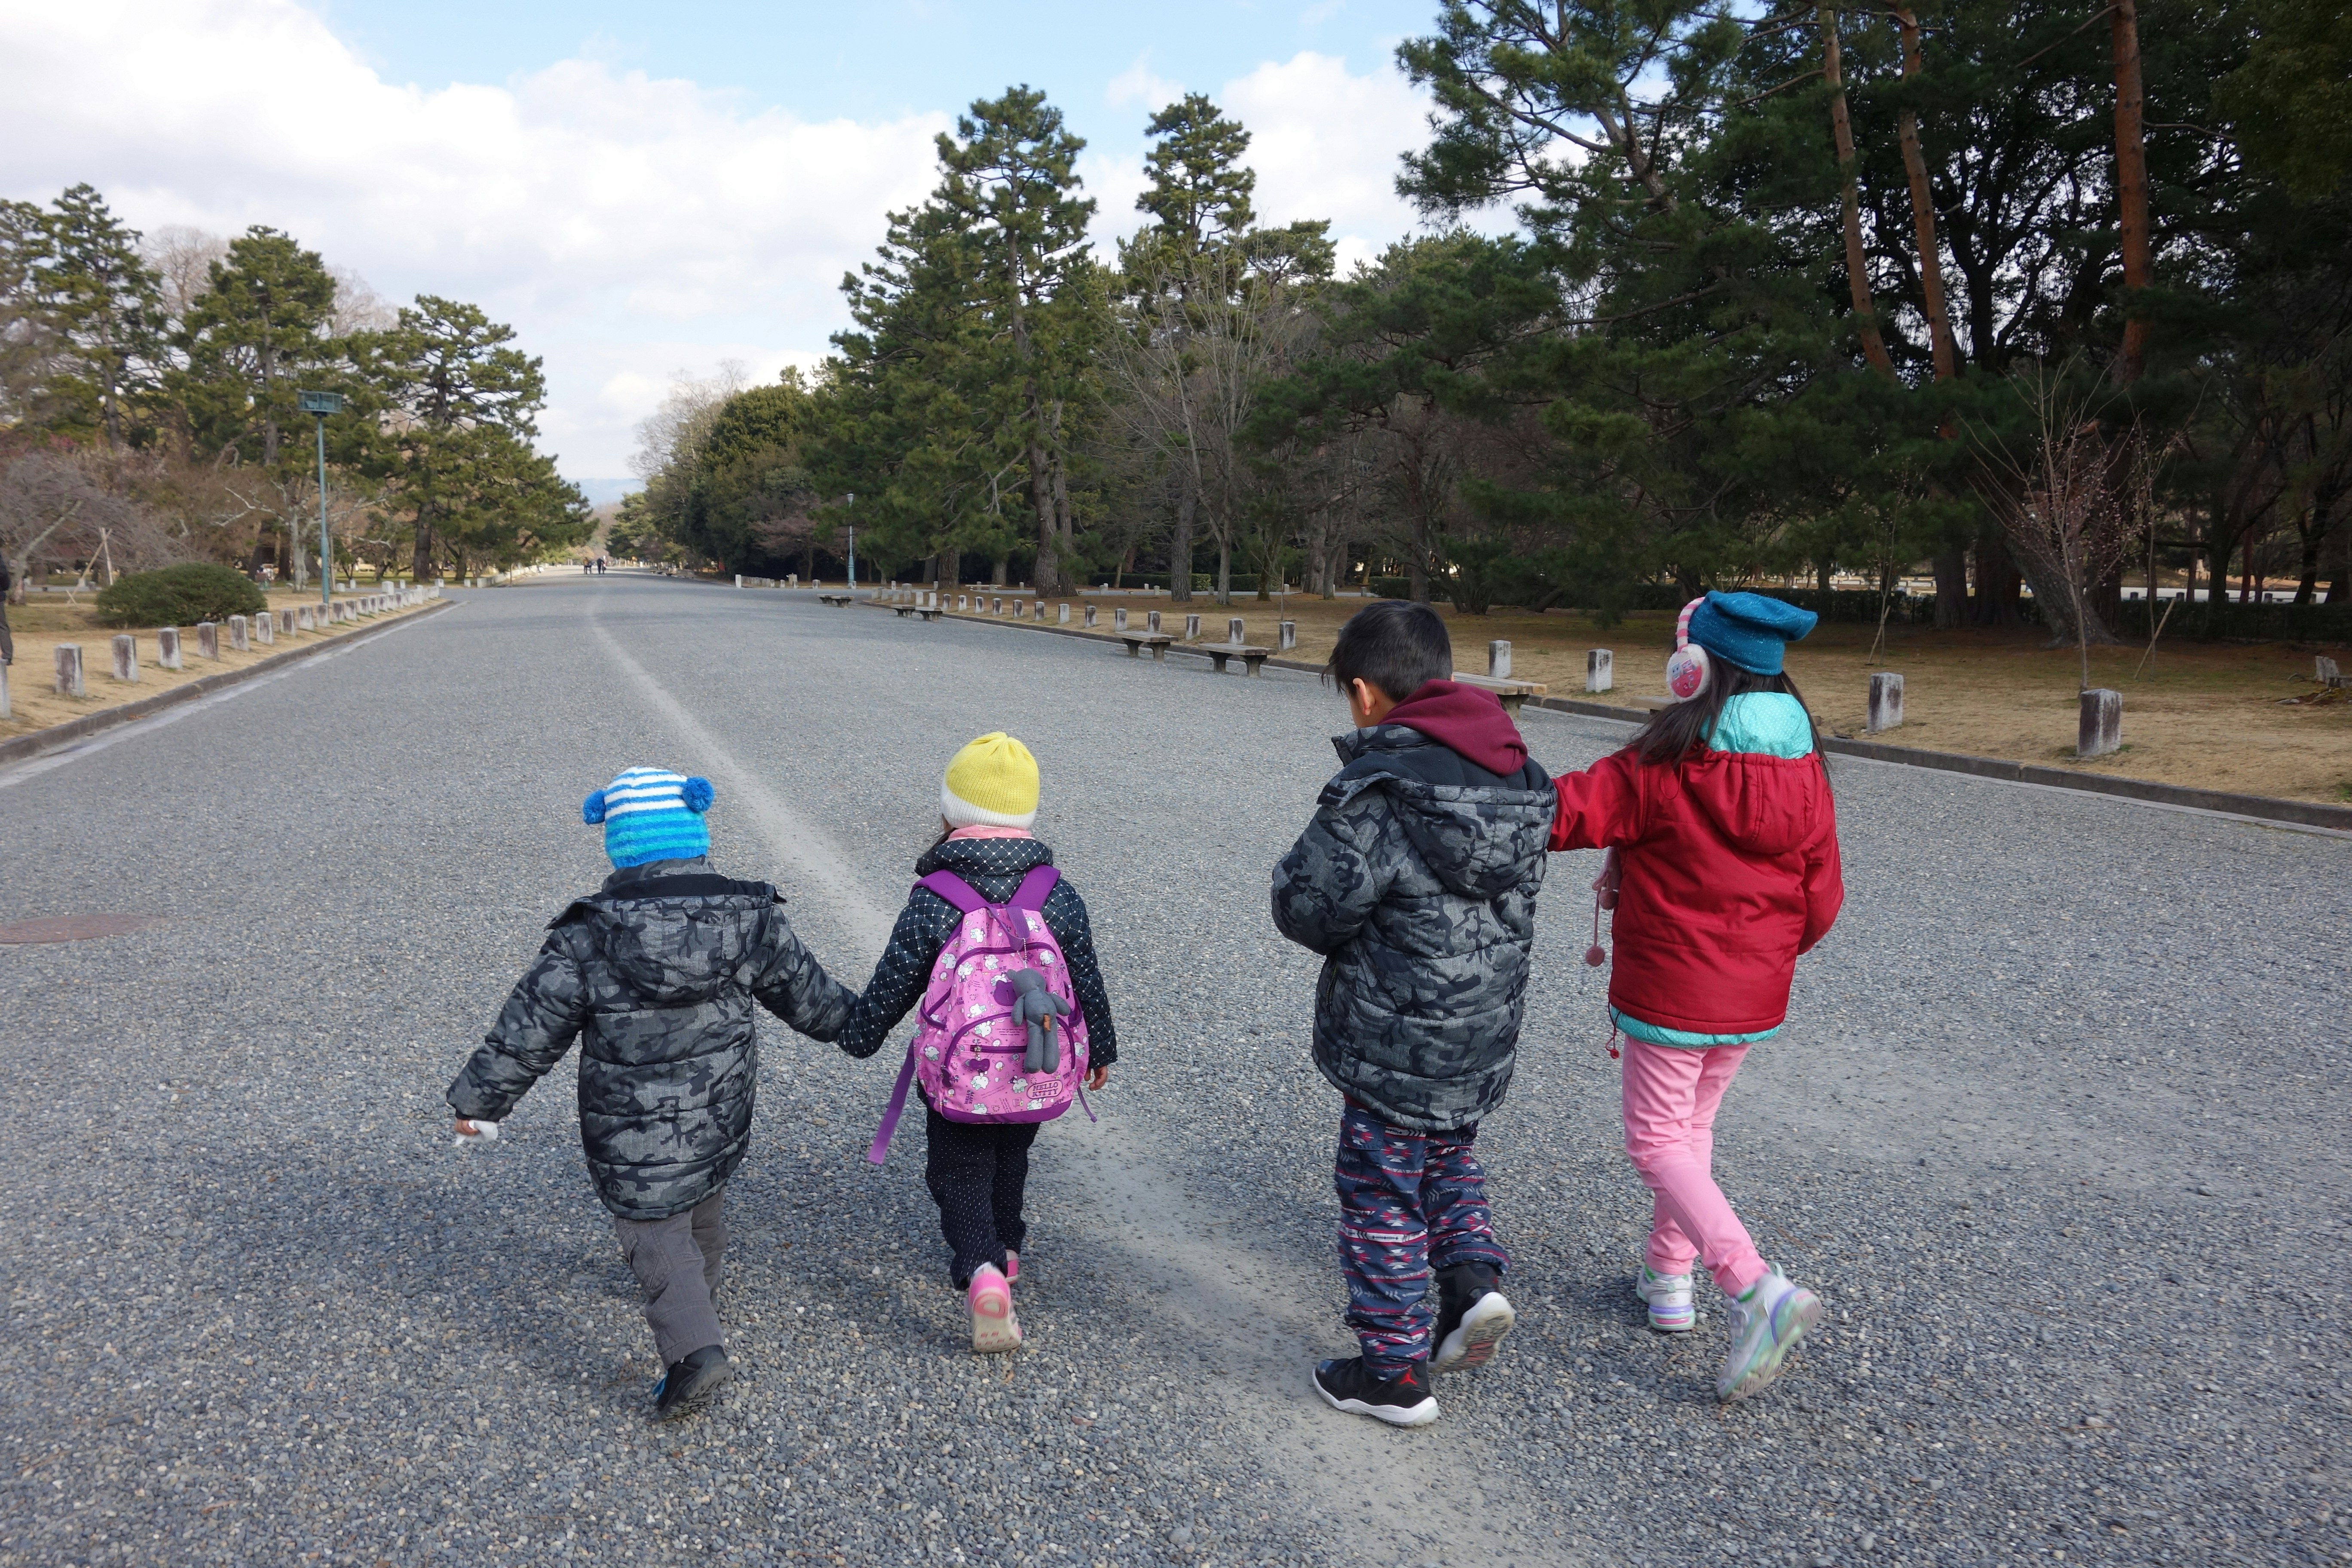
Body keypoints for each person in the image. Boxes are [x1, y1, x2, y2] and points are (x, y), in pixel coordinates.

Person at [444, 766, 854, 1420]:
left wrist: (481, 1102)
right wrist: (860, 1027)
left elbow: (528, 1029)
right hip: (719, 1110)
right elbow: (809, 994)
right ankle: (701, 1291)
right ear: (695, 833)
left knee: (652, 1227)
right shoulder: (745, 918)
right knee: (703, 1195)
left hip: (632, 1130)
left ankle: (694, 1351)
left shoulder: (587, 936)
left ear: (619, 846)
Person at [1550, 591, 1844, 1402]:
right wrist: (1765, 959)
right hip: (1752, 996)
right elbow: (1822, 897)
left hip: (1671, 992)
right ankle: (1668, 1279)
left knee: (1654, 1143)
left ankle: (1757, 1289)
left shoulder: (1663, 761)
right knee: (1693, 1131)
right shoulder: (1806, 769)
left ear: (1693, 671)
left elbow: (1569, 812)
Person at [1271, 601, 1556, 1427]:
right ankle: (1471, 1283)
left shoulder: (1380, 789)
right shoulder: (1521, 777)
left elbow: (1311, 907)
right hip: (1481, 1027)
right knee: (1448, 1154)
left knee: (1380, 1189)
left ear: (1364, 693)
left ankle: (1393, 1374)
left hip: (1395, 1029)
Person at [838, 732, 1117, 1354]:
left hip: (962, 1075)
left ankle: (983, 1268)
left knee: (958, 1167)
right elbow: (1086, 976)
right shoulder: (1057, 894)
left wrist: (860, 1034)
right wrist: (1101, 1049)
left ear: (949, 815)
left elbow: (895, 977)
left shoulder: (938, 897)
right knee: (1011, 1157)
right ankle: (1009, 1248)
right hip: (1038, 1069)